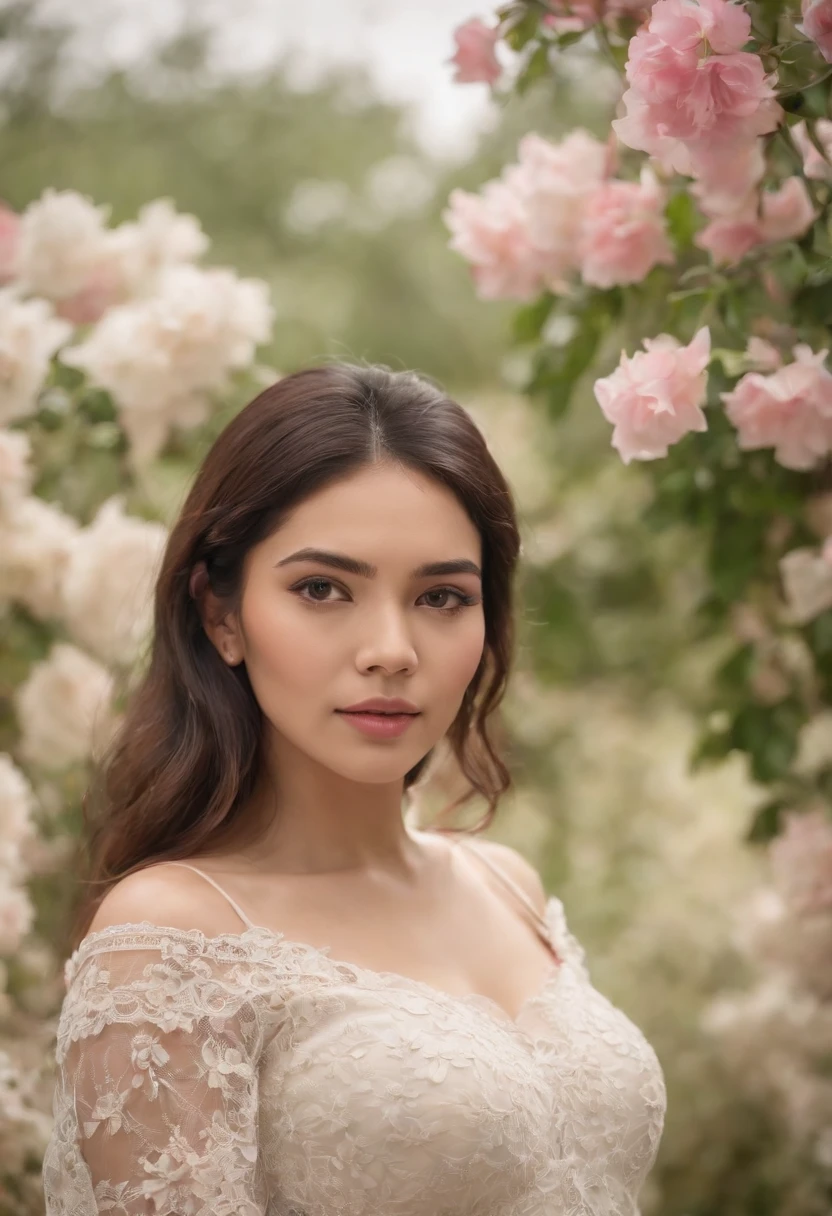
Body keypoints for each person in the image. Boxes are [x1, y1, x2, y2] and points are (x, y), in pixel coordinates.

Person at [42, 362, 666, 1215]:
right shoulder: (172, 938)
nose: (391, 649)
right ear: (221, 614)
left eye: (442, 595)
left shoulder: (507, 885)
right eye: (322, 589)